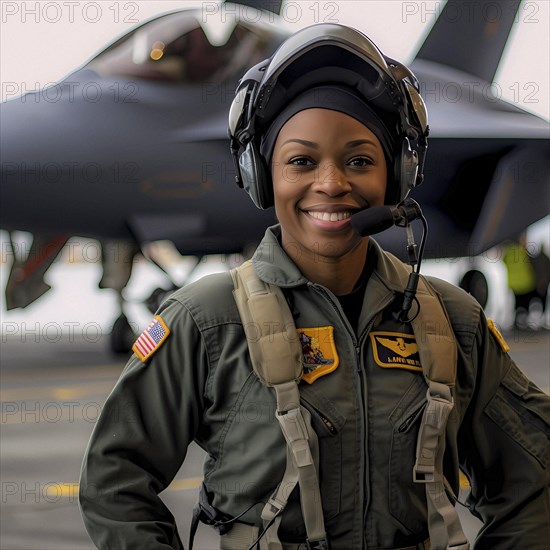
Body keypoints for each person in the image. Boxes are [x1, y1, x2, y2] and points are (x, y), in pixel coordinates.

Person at [79, 24, 550, 550]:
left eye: (360, 161)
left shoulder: (453, 321)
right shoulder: (206, 320)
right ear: (261, 174)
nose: (331, 183)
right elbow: (114, 482)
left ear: (396, 175)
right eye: (301, 161)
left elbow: (536, 481)